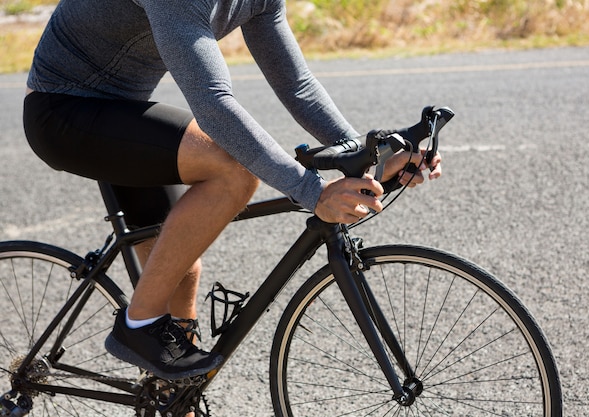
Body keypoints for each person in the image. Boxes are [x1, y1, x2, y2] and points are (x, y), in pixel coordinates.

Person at [23, 0, 442, 380]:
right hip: (62, 111)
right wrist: (312, 192)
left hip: (124, 112)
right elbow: (213, 104)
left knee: (181, 272)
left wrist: (368, 156)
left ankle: (172, 396)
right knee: (233, 172)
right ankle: (135, 326)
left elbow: (297, 86)